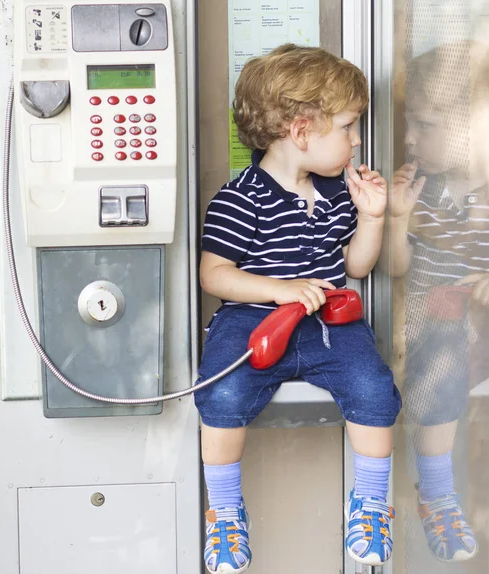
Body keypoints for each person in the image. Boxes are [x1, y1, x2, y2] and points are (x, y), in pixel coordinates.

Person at [194, 43, 401, 573]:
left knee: (375, 387)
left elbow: (356, 266)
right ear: (303, 130)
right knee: (221, 394)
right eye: (349, 127)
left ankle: (372, 503)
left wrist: (372, 217)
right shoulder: (242, 196)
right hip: (253, 321)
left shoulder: (335, 193)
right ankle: (224, 512)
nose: (356, 140)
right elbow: (213, 274)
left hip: (329, 322)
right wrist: (279, 289)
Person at [383, 41, 489, 564]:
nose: (408, 139)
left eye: (425, 125)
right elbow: (397, 269)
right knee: (444, 345)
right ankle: (437, 492)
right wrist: (398, 218)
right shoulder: (423, 189)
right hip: (435, 335)